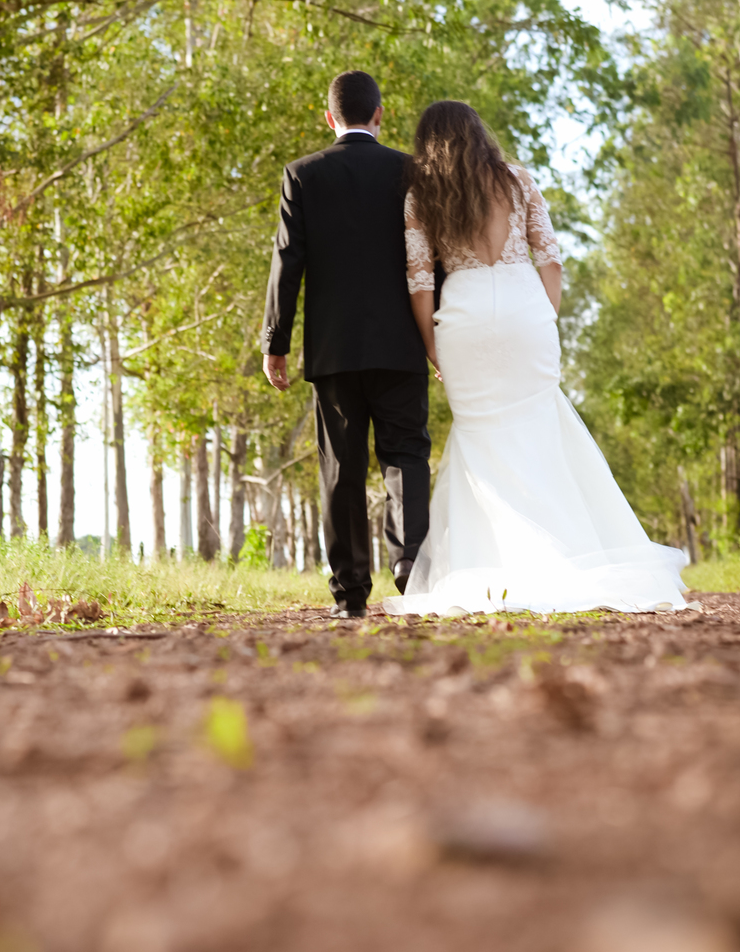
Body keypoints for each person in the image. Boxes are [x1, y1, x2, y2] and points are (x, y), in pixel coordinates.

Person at [385, 100, 689, 617]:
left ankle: (490, 565)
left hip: (465, 317)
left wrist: (433, 346)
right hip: (526, 309)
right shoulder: (517, 180)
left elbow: (419, 282)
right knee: (542, 431)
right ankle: (573, 552)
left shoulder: (422, 195)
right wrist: (543, 318)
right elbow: (550, 259)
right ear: (478, 134)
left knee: (480, 438)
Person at [261, 71, 431, 618]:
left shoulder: (303, 174)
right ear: (381, 114)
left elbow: (287, 263)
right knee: (405, 453)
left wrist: (276, 341)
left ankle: (350, 594)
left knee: (343, 467)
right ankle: (411, 566)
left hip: (334, 349)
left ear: (328, 117)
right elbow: (433, 258)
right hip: (402, 342)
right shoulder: (412, 172)